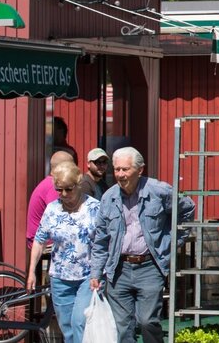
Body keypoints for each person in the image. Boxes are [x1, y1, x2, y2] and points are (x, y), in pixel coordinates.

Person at [90, 147, 195, 343]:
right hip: (118, 269)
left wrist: (171, 242)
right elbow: (101, 238)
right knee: (122, 327)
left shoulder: (159, 191)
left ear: (140, 170)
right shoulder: (109, 197)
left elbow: (187, 209)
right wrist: (96, 272)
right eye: (117, 169)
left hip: (149, 267)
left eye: (125, 169)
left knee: (148, 322)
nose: (120, 175)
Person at [27, 162, 101, 343]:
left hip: (87, 276)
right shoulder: (52, 209)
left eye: (69, 189)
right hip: (60, 276)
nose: (64, 195)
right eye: (59, 190)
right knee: (66, 327)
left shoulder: (94, 208)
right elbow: (39, 240)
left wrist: (100, 272)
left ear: (78, 184)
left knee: (79, 322)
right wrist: (31, 272)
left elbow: (104, 241)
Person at [27, 151, 76, 249]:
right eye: (72, 166)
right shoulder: (53, 186)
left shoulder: (51, 183)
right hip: (43, 242)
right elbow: (61, 217)